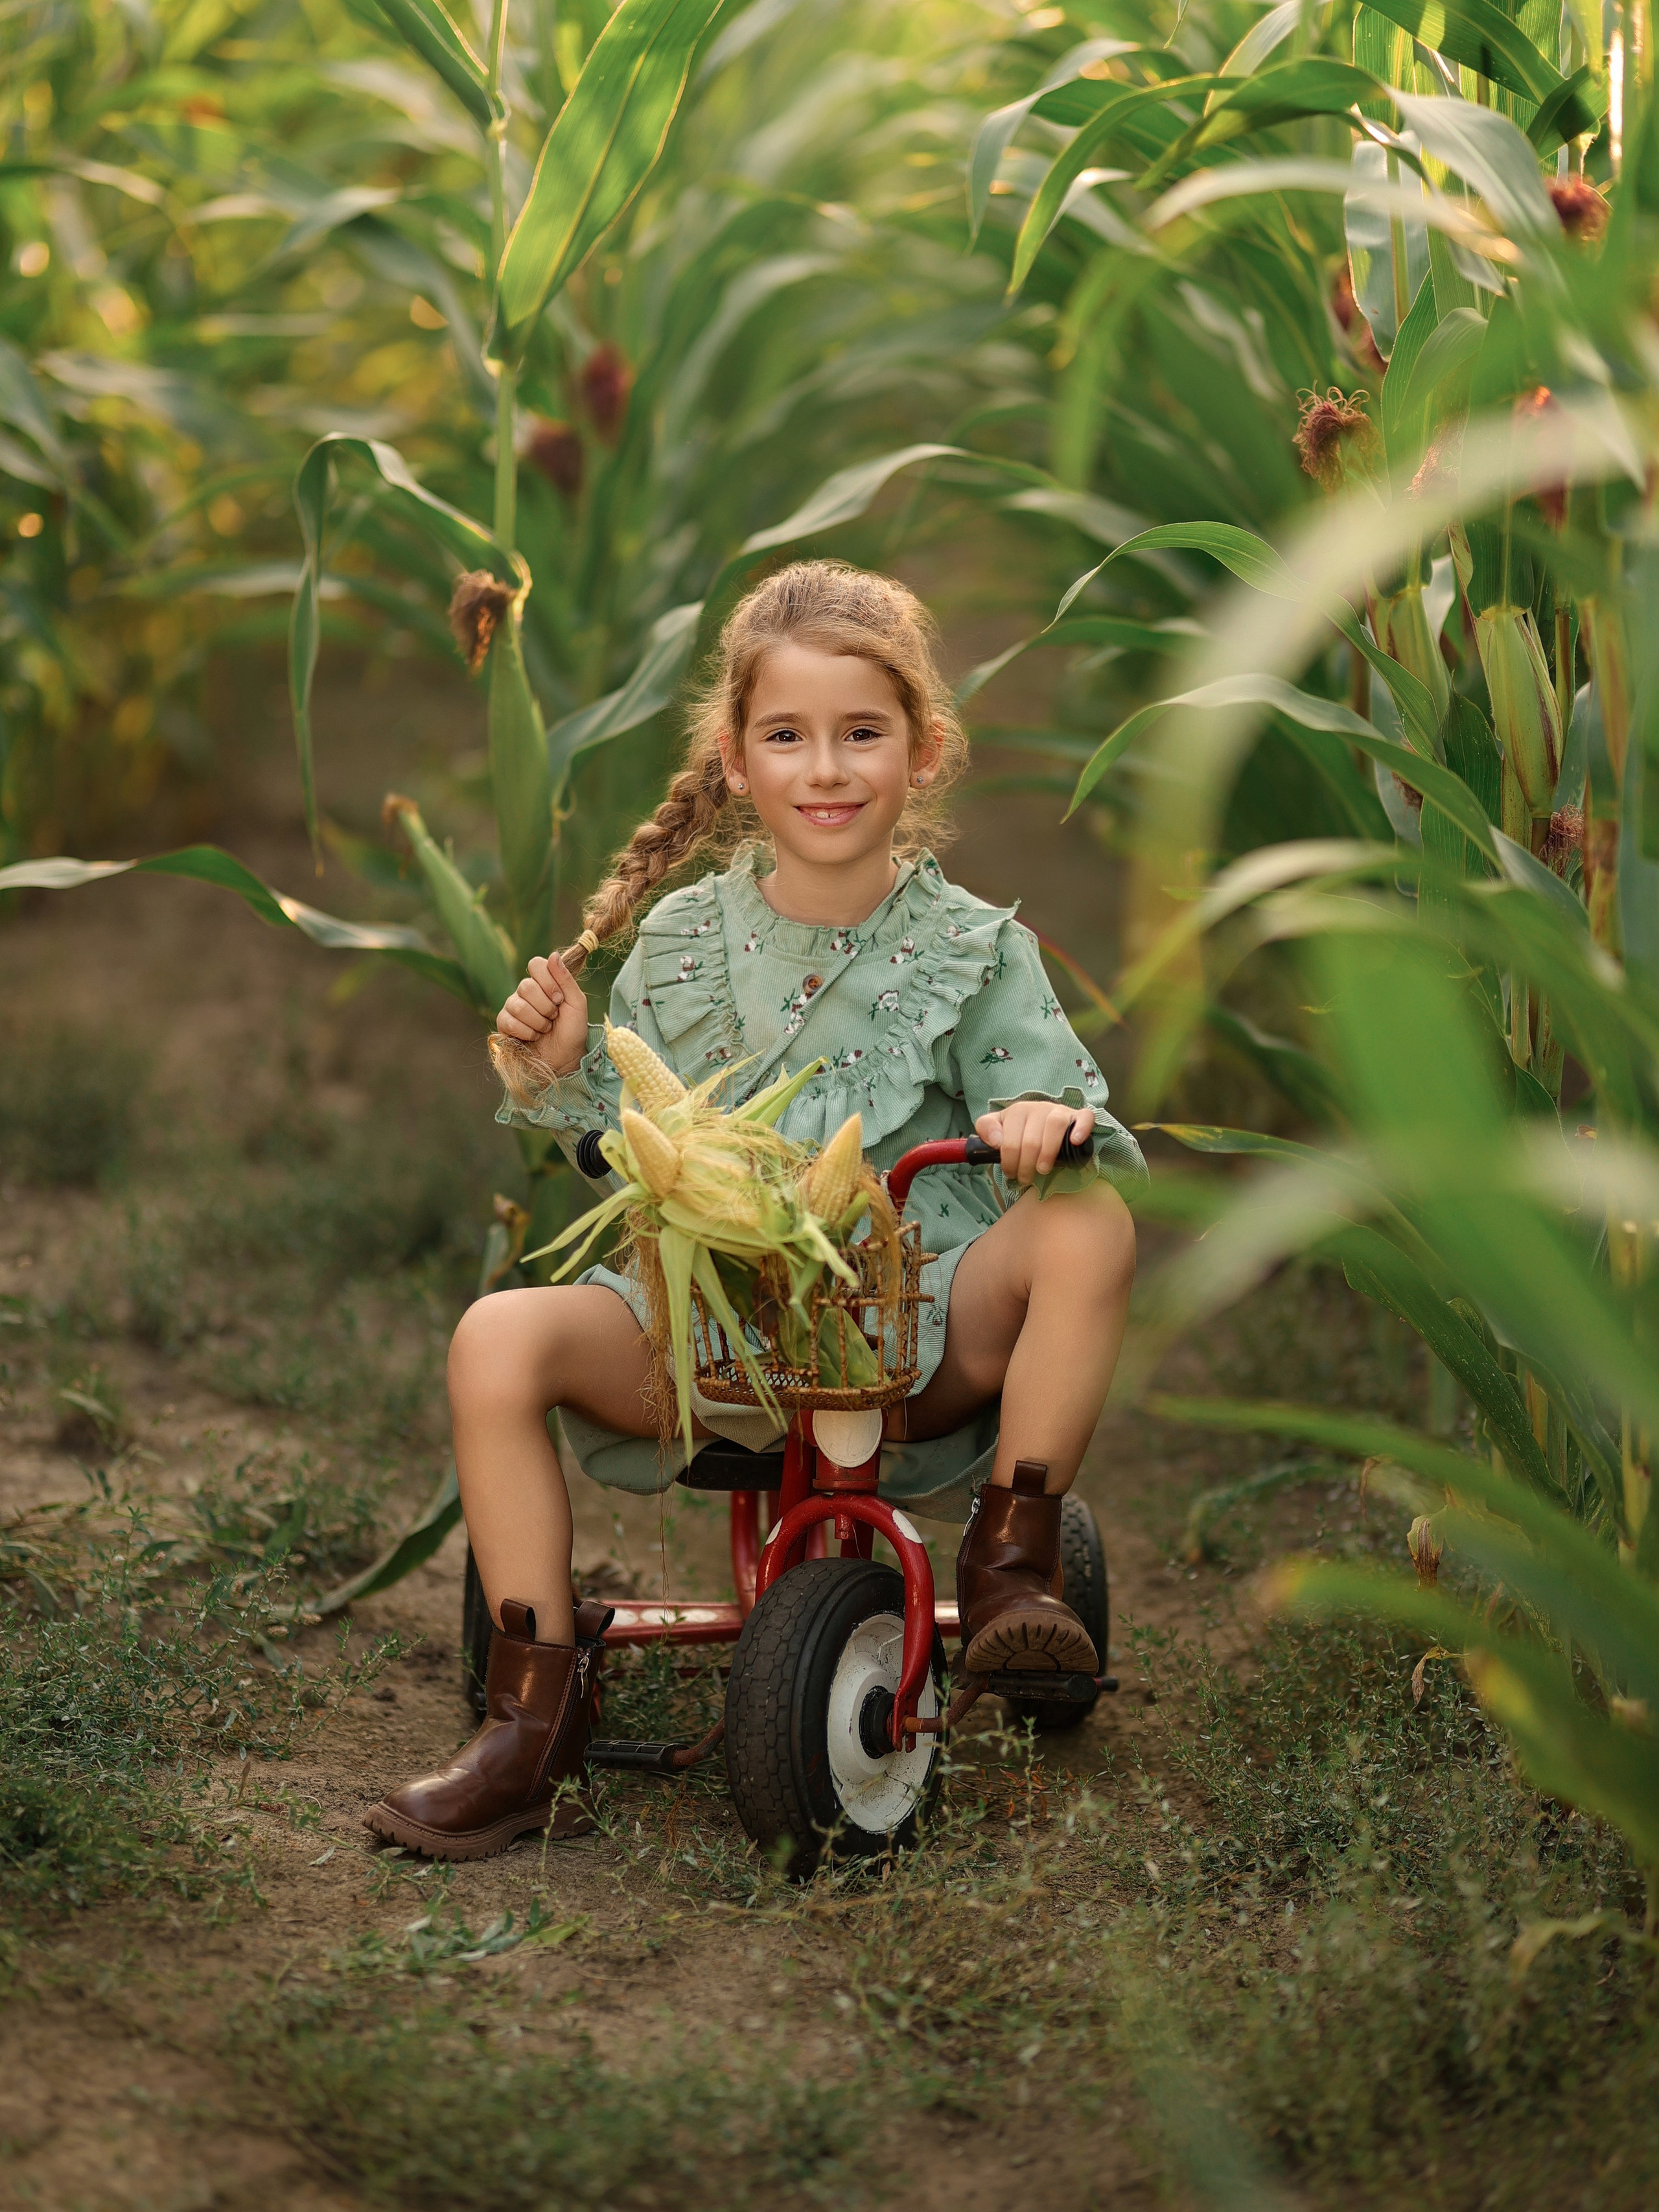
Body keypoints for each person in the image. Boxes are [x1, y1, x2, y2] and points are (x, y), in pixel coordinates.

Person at [364, 561, 1144, 1861]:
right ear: (733, 761)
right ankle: (528, 1720)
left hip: (917, 1328)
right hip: (708, 1332)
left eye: (860, 733)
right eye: (785, 736)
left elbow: (1058, 1108)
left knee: (1092, 1222)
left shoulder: (975, 951)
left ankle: (1011, 1563)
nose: (824, 769)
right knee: (495, 1340)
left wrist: (1033, 1128)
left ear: (924, 752)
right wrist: (564, 1081)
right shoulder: (675, 944)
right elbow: (635, 1162)